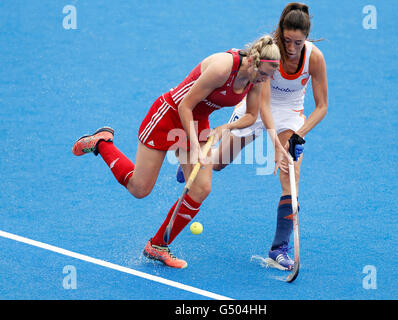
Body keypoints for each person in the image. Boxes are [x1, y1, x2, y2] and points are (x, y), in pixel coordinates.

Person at [72, 34, 290, 269]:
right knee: (139, 188)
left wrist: (223, 128)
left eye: (270, 76)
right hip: (168, 115)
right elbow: (185, 104)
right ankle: (101, 142)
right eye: (264, 75)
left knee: (201, 188)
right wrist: (195, 146)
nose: (265, 81)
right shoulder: (222, 68)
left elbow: (250, 115)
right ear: (252, 62)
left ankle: (157, 245)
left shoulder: (257, 79)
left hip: (197, 121)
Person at [177, 2, 328, 270]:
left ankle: (278, 248)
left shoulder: (314, 58)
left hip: (292, 115)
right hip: (256, 107)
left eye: (298, 42)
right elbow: (264, 108)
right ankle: (188, 163)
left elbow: (322, 106)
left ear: (307, 38)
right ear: (280, 33)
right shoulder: (271, 53)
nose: (291, 49)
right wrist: (275, 145)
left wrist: (296, 137)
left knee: (290, 179)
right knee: (219, 162)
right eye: (287, 40)